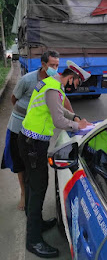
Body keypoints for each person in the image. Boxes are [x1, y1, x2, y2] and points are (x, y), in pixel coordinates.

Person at [18, 61, 91, 258]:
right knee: (39, 187)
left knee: (34, 185)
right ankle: (33, 240)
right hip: (33, 143)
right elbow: (59, 121)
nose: (73, 87)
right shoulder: (53, 89)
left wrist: (75, 117)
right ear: (71, 77)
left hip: (29, 140)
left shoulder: (51, 83)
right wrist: (79, 126)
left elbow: (58, 110)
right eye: (75, 83)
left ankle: (37, 223)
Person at [1, 50, 73, 211]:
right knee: (20, 164)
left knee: (33, 168)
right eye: (52, 65)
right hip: (18, 127)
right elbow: (14, 98)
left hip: (35, 134)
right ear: (43, 65)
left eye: (57, 65)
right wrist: (29, 117)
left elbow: (63, 100)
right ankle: (23, 194)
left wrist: (75, 117)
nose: (55, 68)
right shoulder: (28, 80)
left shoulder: (56, 81)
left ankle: (32, 203)